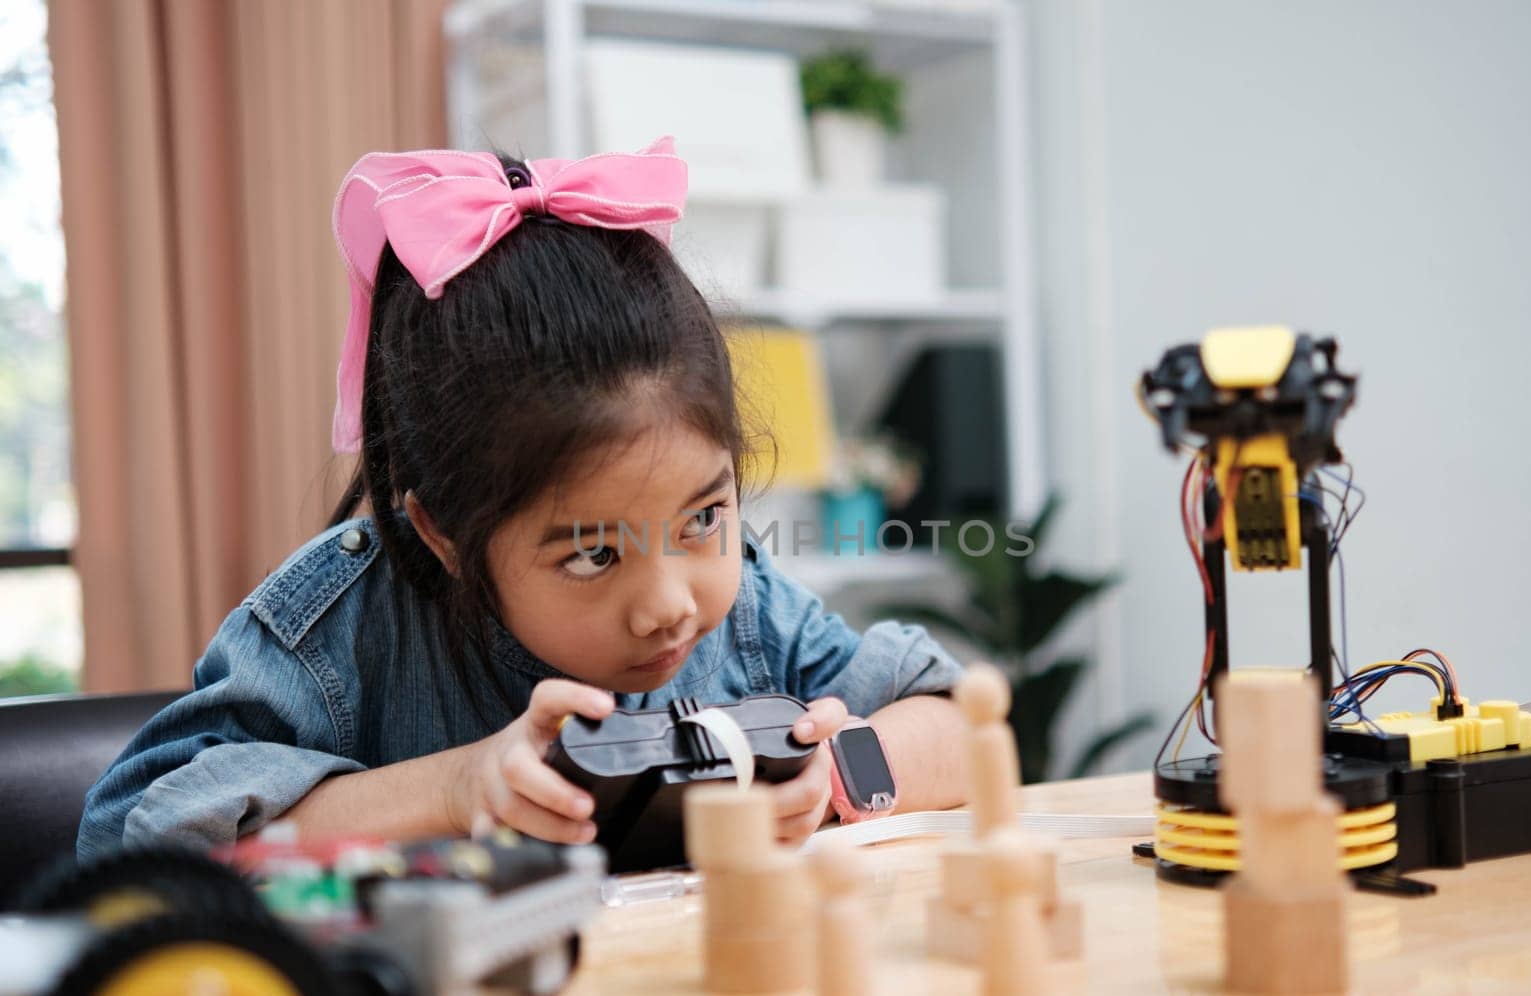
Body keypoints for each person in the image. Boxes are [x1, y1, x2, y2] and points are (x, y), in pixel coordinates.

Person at [78, 138, 969, 860]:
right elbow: (133, 842)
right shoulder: (342, 634)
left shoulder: (747, 608)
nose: (670, 604)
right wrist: (456, 787)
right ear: (445, 533)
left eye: (703, 518)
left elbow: (960, 720)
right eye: (593, 552)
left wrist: (844, 771)